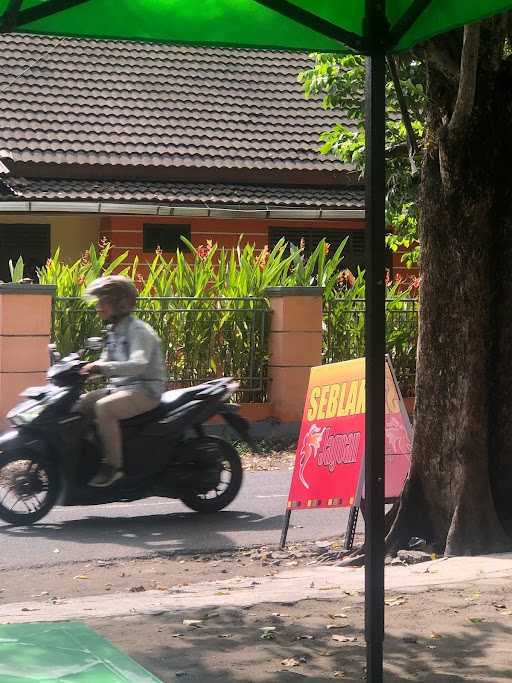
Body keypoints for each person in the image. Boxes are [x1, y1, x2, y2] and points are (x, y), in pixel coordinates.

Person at [78, 275, 166, 487]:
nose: (98, 307)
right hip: (122, 388)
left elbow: (138, 364)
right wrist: (83, 369)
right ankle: (87, 458)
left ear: (120, 303)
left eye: (103, 302)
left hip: (146, 390)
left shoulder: (139, 330)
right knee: (79, 404)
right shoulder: (114, 330)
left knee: (104, 408)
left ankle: (112, 467)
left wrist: (101, 367)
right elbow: (107, 361)